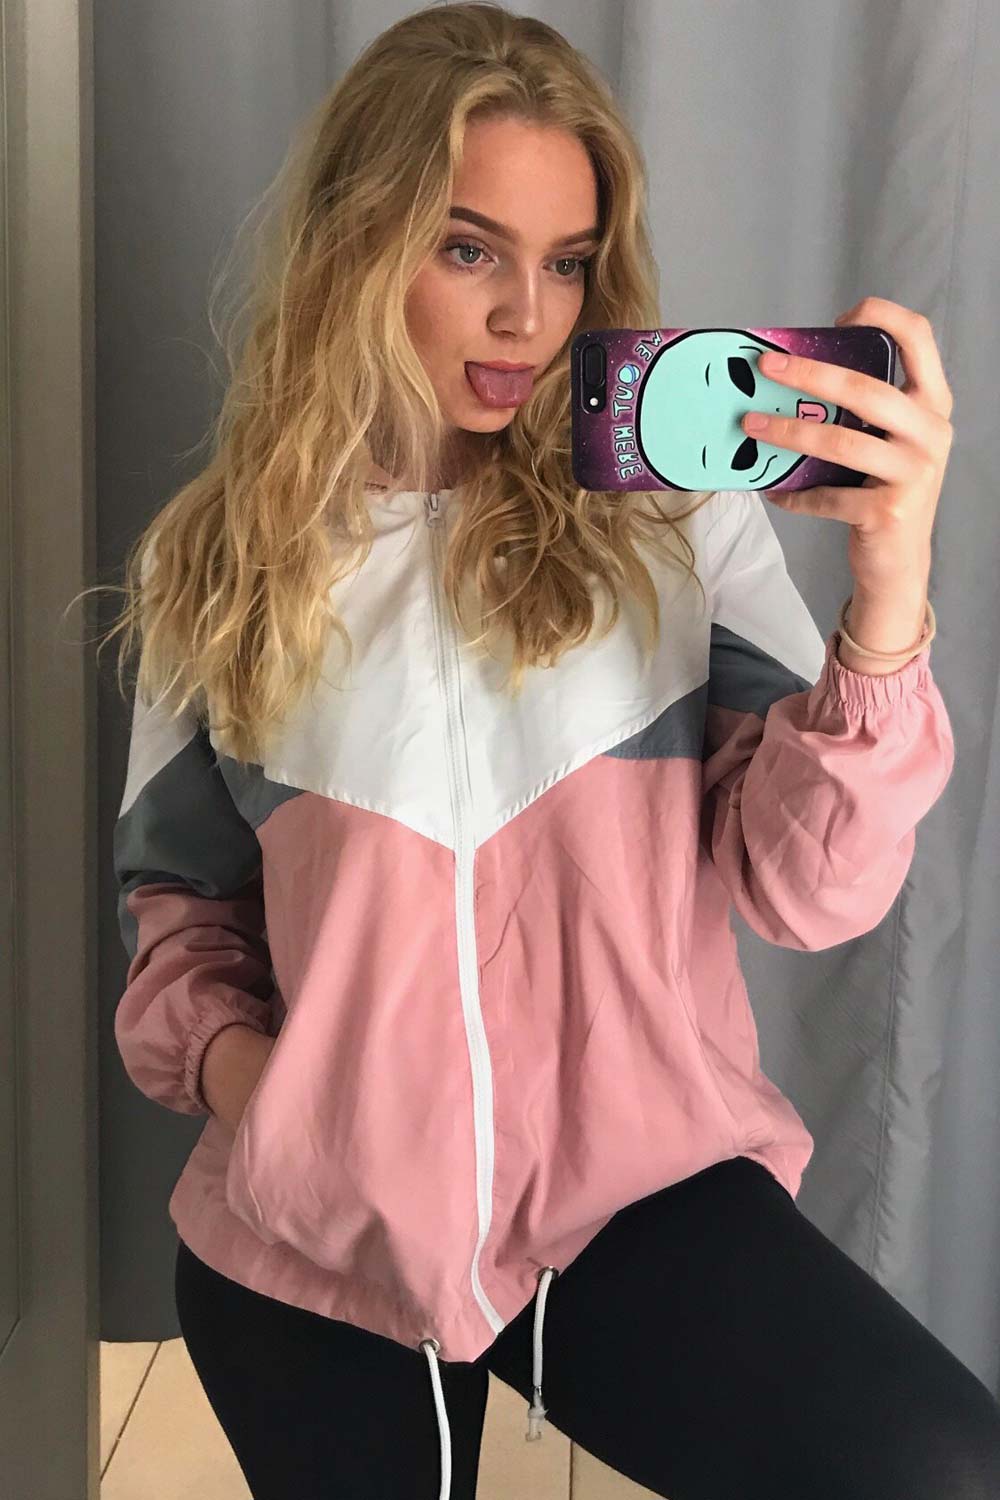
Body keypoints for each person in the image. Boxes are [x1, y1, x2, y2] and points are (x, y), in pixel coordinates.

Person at [96, 3, 999, 1497]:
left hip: (628, 1197)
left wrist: (889, 598)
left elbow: (809, 892)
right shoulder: (215, 565)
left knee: (937, 1468)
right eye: (470, 251)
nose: (529, 316)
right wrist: (281, 1101)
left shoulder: (675, 523)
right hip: (319, 1240)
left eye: (567, 262)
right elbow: (178, 922)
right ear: (357, 241)